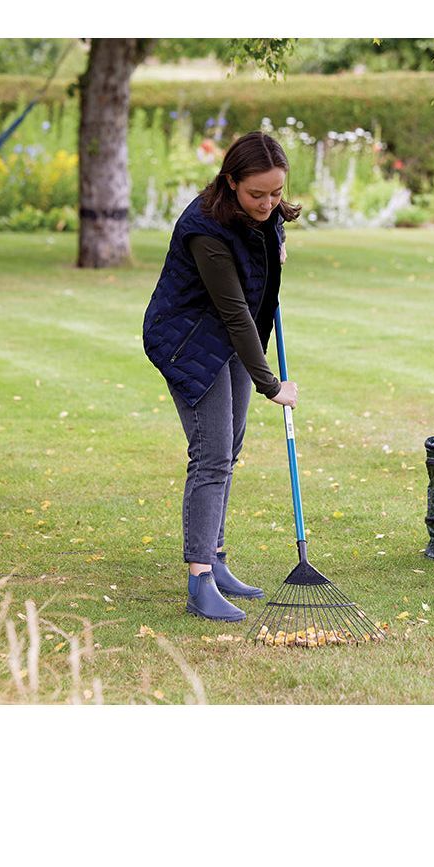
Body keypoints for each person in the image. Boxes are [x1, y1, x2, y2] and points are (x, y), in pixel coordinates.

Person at [142, 131, 301, 621]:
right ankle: (200, 581)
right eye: (257, 194)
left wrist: (276, 247)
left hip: (229, 336)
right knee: (211, 456)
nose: (268, 203)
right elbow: (234, 312)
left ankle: (216, 559)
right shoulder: (205, 230)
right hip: (188, 341)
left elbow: (259, 267)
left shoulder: (265, 213)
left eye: (276, 192)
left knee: (228, 449)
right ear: (230, 181)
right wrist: (271, 385)